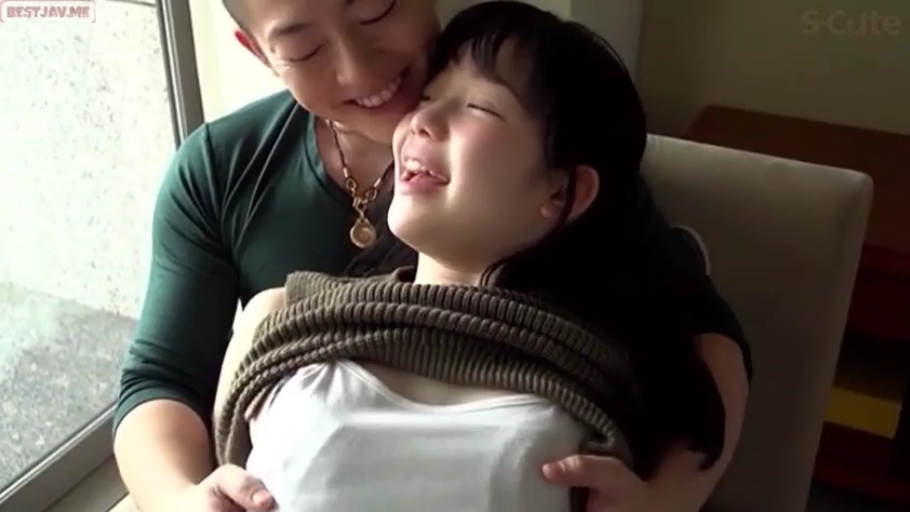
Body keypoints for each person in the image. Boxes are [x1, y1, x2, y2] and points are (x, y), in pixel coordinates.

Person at [113, 1, 751, 511]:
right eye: (303, 48)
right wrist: (181, 499)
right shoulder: (223, 174)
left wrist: (664, 500)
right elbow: (162, 380)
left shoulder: (540, 132)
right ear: (260, 53)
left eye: (374, 9)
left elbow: (699, 338)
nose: (358, 68)